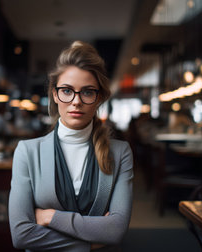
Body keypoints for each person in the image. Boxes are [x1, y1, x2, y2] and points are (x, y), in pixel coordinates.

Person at [9, 41, 134, 251]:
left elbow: (116, 230)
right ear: (55, 95)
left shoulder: (120, 152)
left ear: (99, 97)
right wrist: (91, 242)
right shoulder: (28, 152)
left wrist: (51, 217)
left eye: (87, 92)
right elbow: (21, 235)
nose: (76, 101)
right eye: (67, 91)